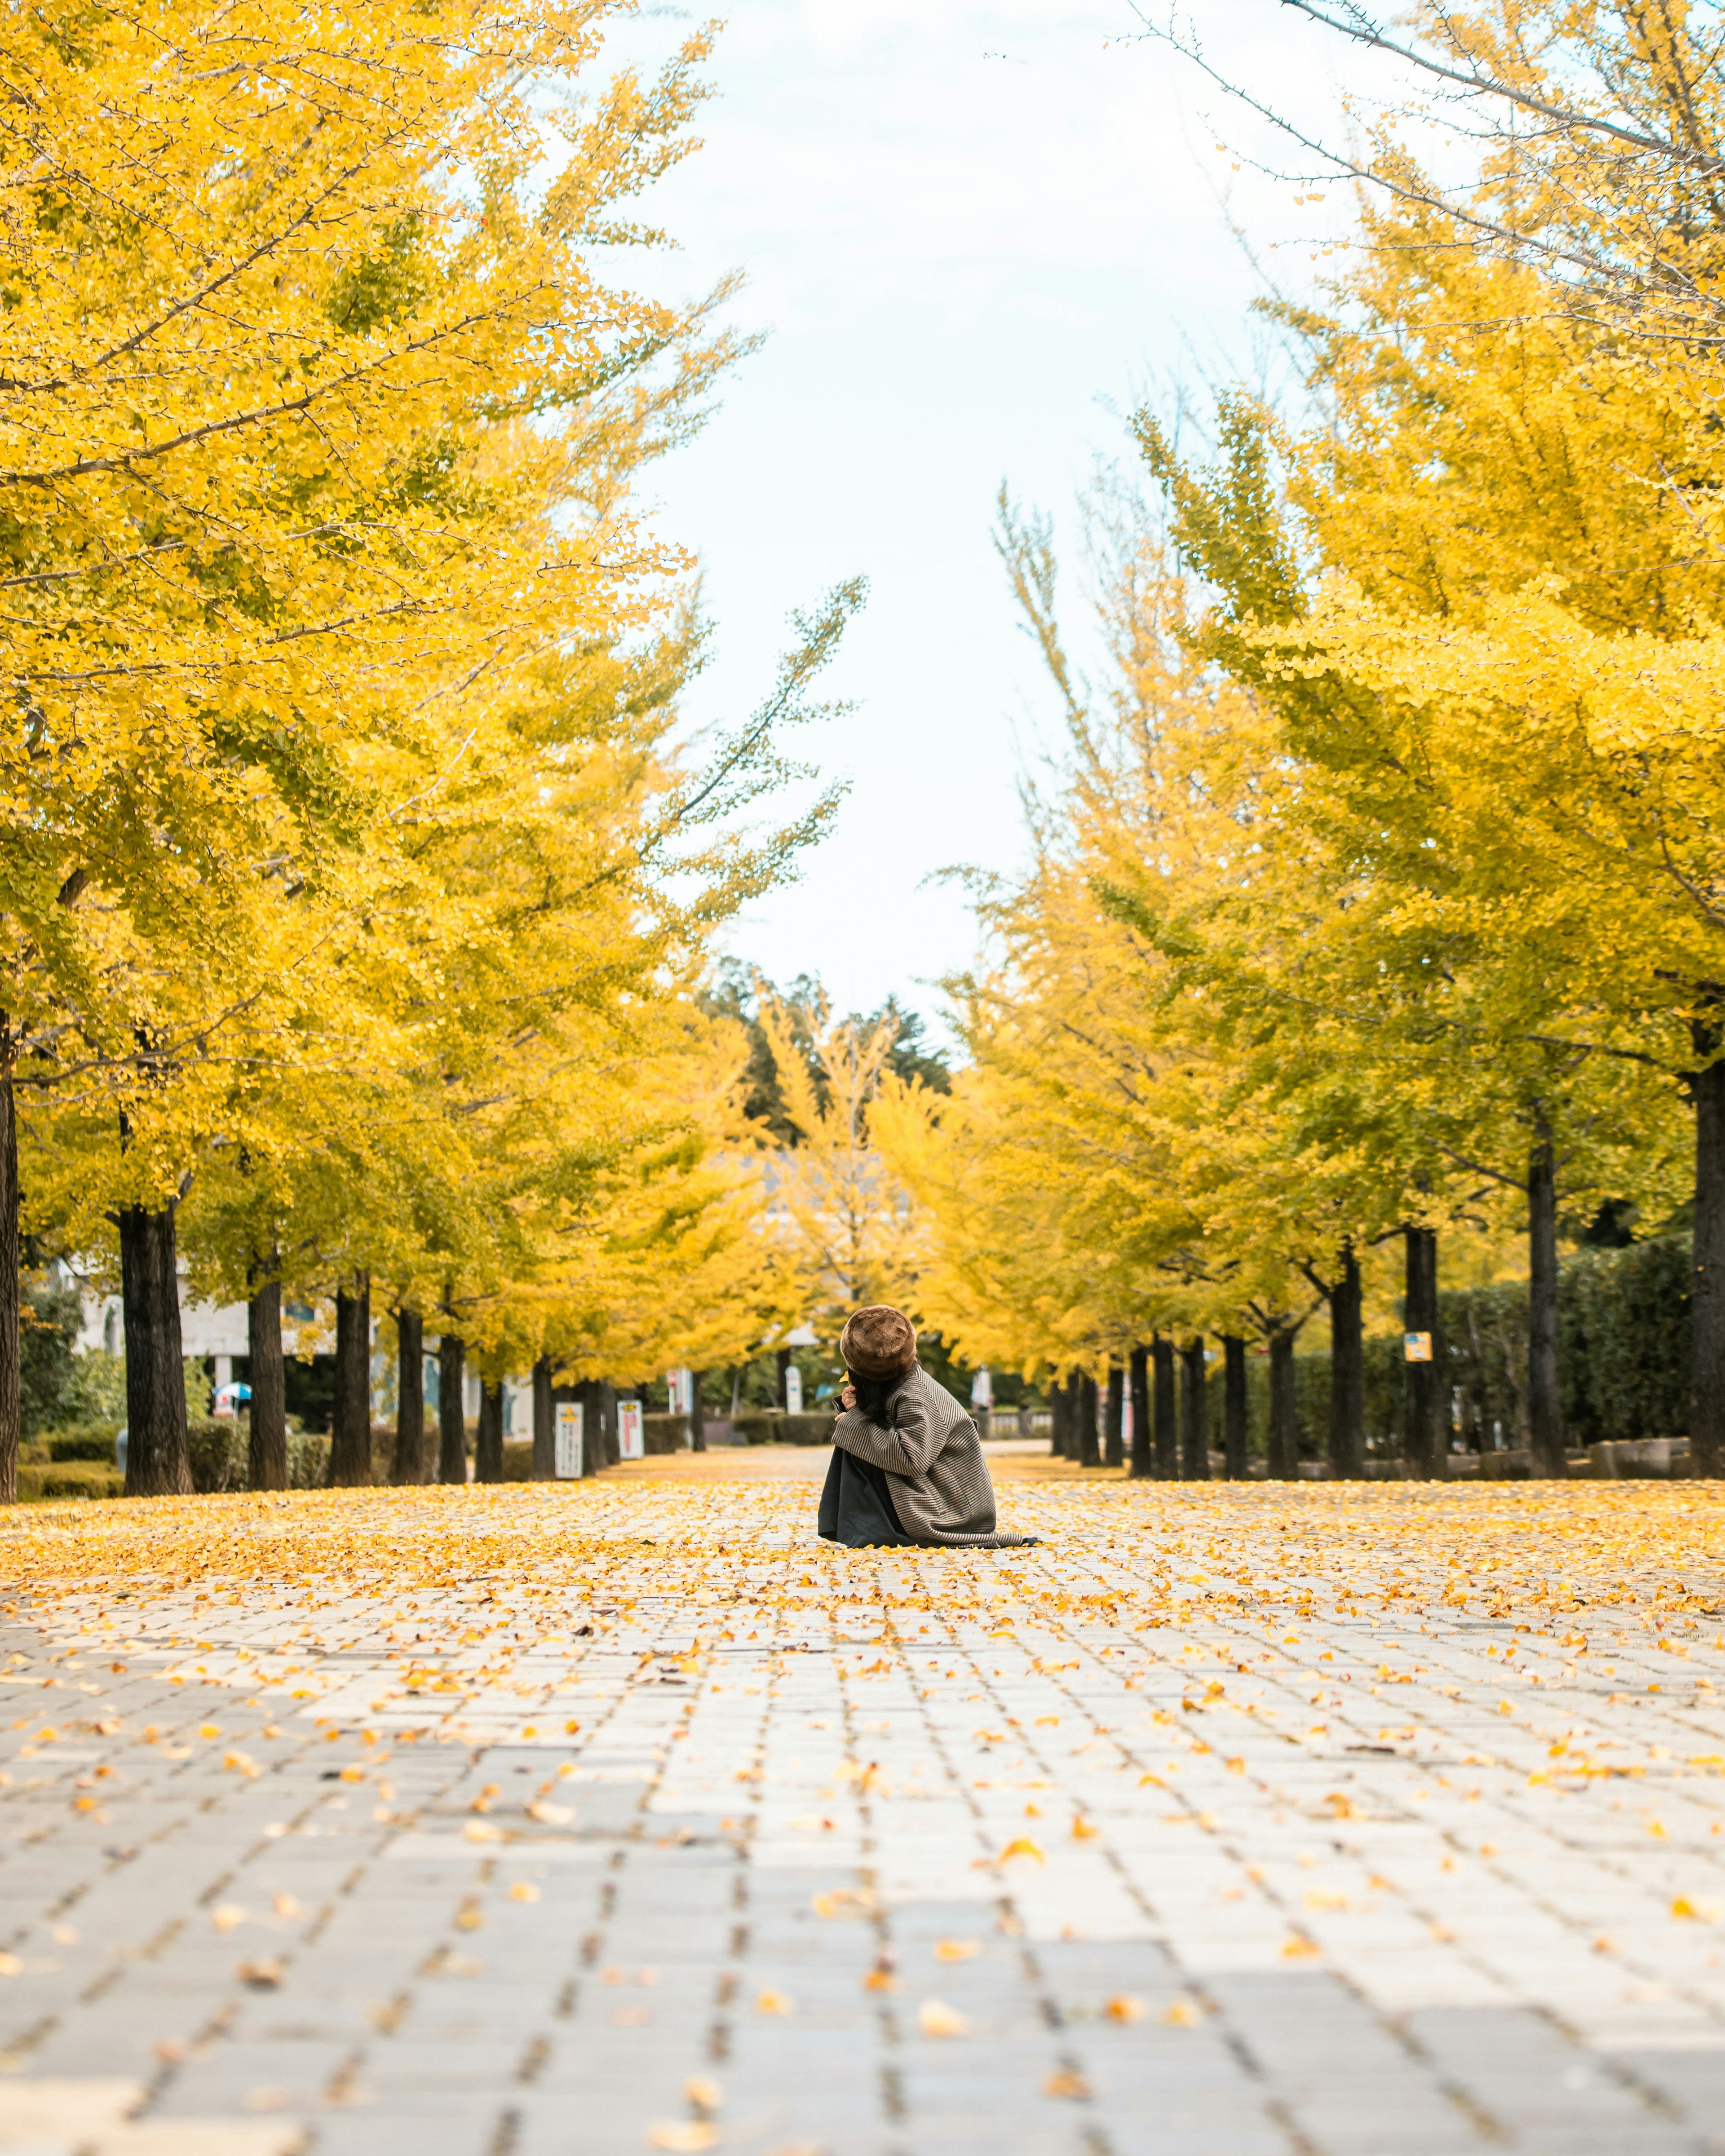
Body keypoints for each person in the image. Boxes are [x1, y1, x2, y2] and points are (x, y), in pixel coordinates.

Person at [817, 1304, 1035, 1548]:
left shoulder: (914, 1395)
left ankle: (869, 1530)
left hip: (951, 1513)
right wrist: (855, 1410)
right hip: (942, 1498)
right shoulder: (906, 1383)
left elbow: (911, 1460)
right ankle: (862, 1528)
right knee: (853, 1434)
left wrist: (855, 1420)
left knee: (854, 1436)